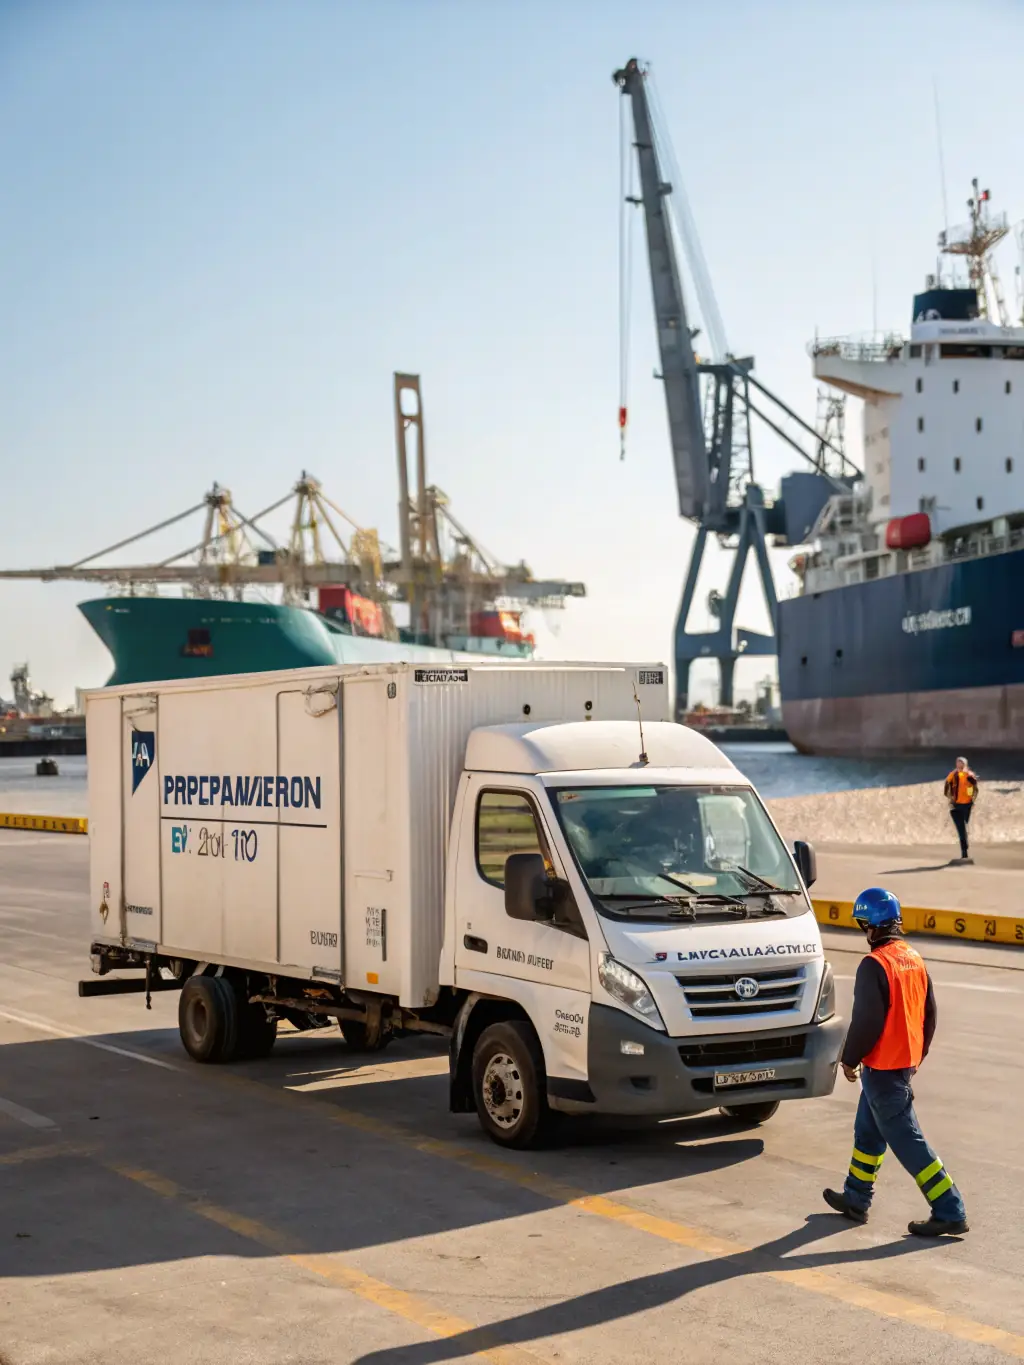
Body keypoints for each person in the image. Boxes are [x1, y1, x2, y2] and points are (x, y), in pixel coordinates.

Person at [823, 886, 968, 1237]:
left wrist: (849, 1058)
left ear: (872, 926)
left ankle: (950, 1209)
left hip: (884, 1070)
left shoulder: (874, 964)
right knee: (867, 1134)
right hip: (898, 1066)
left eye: (863, 924)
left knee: (908, 1142)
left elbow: (867, 1021)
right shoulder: (913, 959)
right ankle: (857, 1198)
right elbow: (929, 1014)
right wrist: (917, 1055)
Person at [943, 756, 978, 863]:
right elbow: (946, 786)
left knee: (964, 827)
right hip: (956, 805)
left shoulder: (969, 774)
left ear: (965, 764)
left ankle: (965, 846)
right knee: (961, 829)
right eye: (958, 762)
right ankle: (964, 852)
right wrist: (950, 798)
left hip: (966, 805)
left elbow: (974, 786)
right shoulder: (953, 774)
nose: (959, 764)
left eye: (961, 763)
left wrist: (970, 779)